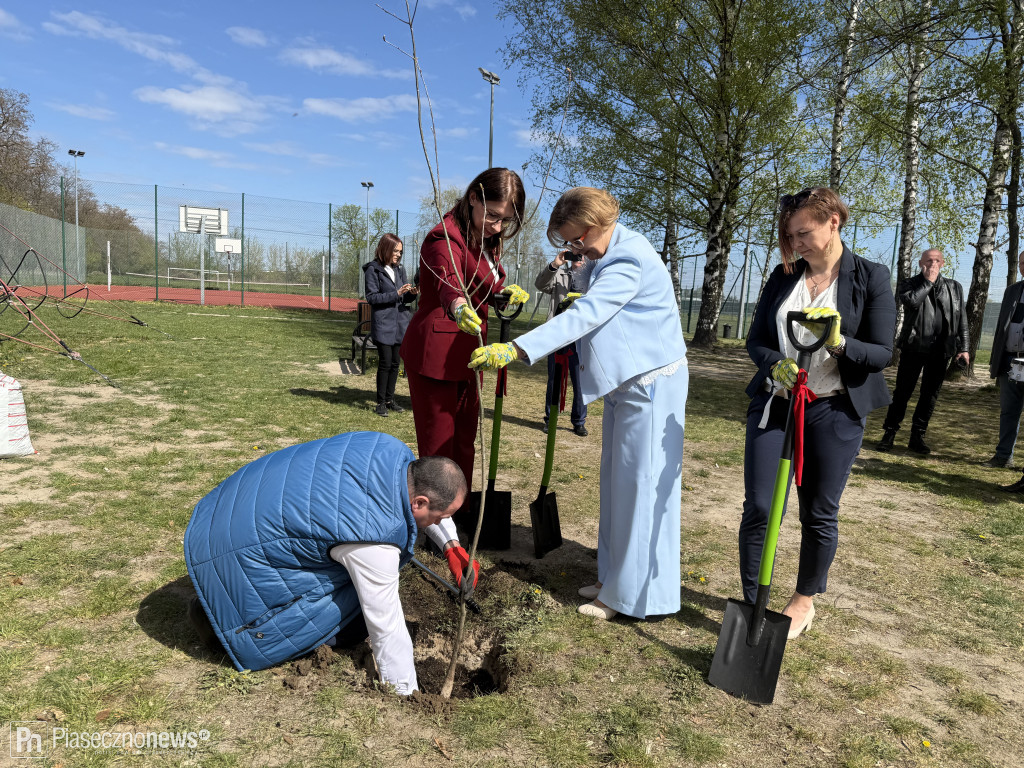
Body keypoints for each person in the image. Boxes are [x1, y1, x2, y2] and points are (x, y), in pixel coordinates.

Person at [468, 186, 688, 621]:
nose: (575, 248)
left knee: (639, 489)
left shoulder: (627, 256)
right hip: (629, 384)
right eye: (569, 242)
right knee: (617, 485)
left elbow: (587, 315)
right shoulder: (608, 252)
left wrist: (516, 348)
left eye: (577, 239)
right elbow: (587, 296)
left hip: (650, 383)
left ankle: (630, 597)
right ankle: (613, 578)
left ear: (597, 224)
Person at [183, 431, 479, 695]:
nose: (440, 523)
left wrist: (451, 546)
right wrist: (407, 692)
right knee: (358, 621)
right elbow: (385, 624)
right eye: (441, 518)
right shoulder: (375, 539)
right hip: (241, 584)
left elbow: (422, 500)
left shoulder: (390, 450)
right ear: (420, 503)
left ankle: (217, 593)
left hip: (218, 520)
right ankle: (221, 618)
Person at [740, 187, 895, 640]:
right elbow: (756, 340)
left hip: (834, 410)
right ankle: (752, 604)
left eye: (803, 233)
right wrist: (775, 364)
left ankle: (803, 600)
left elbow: (882, 353)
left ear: (833, 222)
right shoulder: (783, 275)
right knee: (760, 506)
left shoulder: (871, 276)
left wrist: (839, 343)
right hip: (777, 404)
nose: (796, 244)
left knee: (819, 511)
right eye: (790, 236)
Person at [401, 168, 529, 491]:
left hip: (471, 355)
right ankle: (438, 517)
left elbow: (484, 282)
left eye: (505, 220)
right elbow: (449, 281)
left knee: (464, 442)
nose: (497, 226)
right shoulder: (444, 236)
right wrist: (458, 306)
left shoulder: (486, 240)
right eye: (493, 215)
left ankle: (463, 510)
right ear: (474, 197)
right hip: (436, 357)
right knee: (439, 449)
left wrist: (502, 293)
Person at [876, 249, 969, 454]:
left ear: (943, 263)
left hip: (941, 349)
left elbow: (961, 318)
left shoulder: (954, 287)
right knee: (902, 392)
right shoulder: (909, 283)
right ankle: (889, 433)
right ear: (920, 263)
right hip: (914, 347)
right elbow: (911, 302)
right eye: (928, 260)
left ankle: (917, 436)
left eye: (936, 260)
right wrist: (928, 282)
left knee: (930, 395)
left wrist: (964, 348)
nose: (932, 264)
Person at [363, 234, 418, 417]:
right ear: (385, 248)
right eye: (395, 251)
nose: (398, 255)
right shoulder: (373, 270)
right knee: (385, 363)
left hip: (399, 324)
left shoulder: (400, 270)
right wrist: (396, 293)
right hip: (383, 324)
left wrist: (412, 294)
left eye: (400, 252)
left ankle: (389, 399)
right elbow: (372, 298)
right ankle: (380, 403)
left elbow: (404, 299)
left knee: (395, 363)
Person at [535, 250, 588, 436]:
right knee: (554, 380)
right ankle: (551, 419)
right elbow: (540, 284)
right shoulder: (559, 275)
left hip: (581, 336)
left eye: (582, 254)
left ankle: (579, 421)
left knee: (580, 381)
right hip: (558, 336)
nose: (579, 258)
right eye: (575, 254)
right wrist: (555, 264)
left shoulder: (593, 278)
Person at [983, 250, 1024, 469]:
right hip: (1010, 362)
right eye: (1022, 263)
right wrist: (996, 361)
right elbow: (1002, 327)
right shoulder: (1012, 291)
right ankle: (1003, 456)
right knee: (1009, 411)